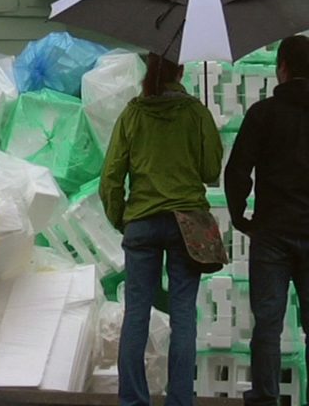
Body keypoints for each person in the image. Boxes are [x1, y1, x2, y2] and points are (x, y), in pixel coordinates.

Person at [224, 35, 309, 406]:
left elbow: (238, 170)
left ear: (281, 68)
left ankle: (266, 397)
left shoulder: (262, 115)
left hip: (271, 233)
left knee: (268, 323)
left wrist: (241, 217)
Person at [100, 52, 223, 406]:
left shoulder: (133, 113)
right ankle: (180, 400)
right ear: (180, 70)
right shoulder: (195, 112)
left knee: (136, 313)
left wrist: (122, 217)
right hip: (188, 225)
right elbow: (211, 169)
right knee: (184, 313)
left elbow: (110, 177)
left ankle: (134, 400)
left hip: (142, 222)